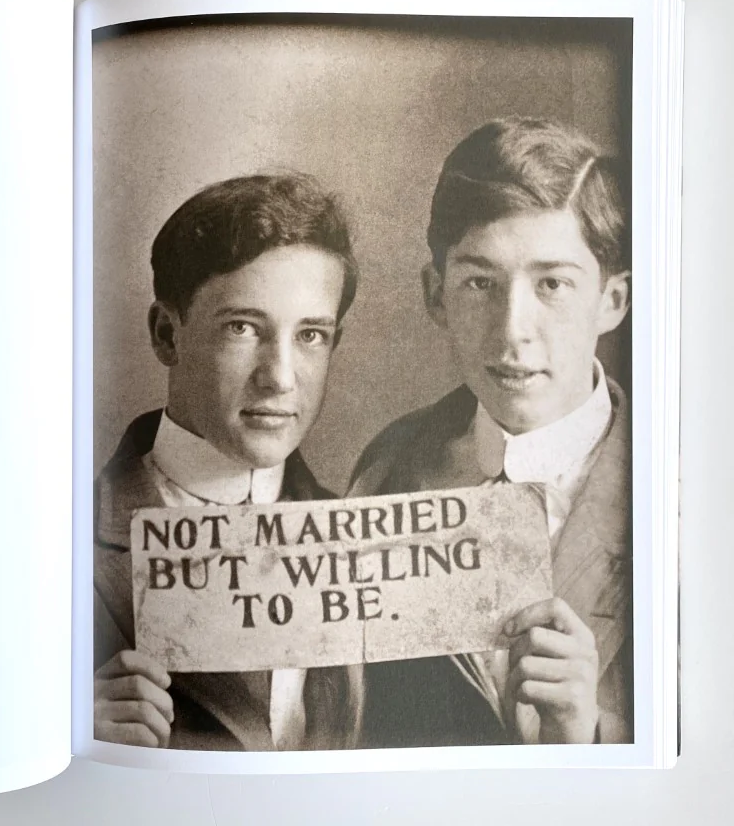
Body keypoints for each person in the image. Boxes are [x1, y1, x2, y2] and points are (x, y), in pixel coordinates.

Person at [349, 116, 632, 746]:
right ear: (435, 295)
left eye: (552, 284)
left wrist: (593, 738)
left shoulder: (679, 491)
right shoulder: (389, 472)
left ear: (613, 301)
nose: (511, 331)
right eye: (480, 283)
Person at [93, 172, 363, 751]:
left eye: (311, 335)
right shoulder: (65, 540)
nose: (281, 378)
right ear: (167, 334)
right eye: (242, 328)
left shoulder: (363, 540)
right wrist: (68, 737)